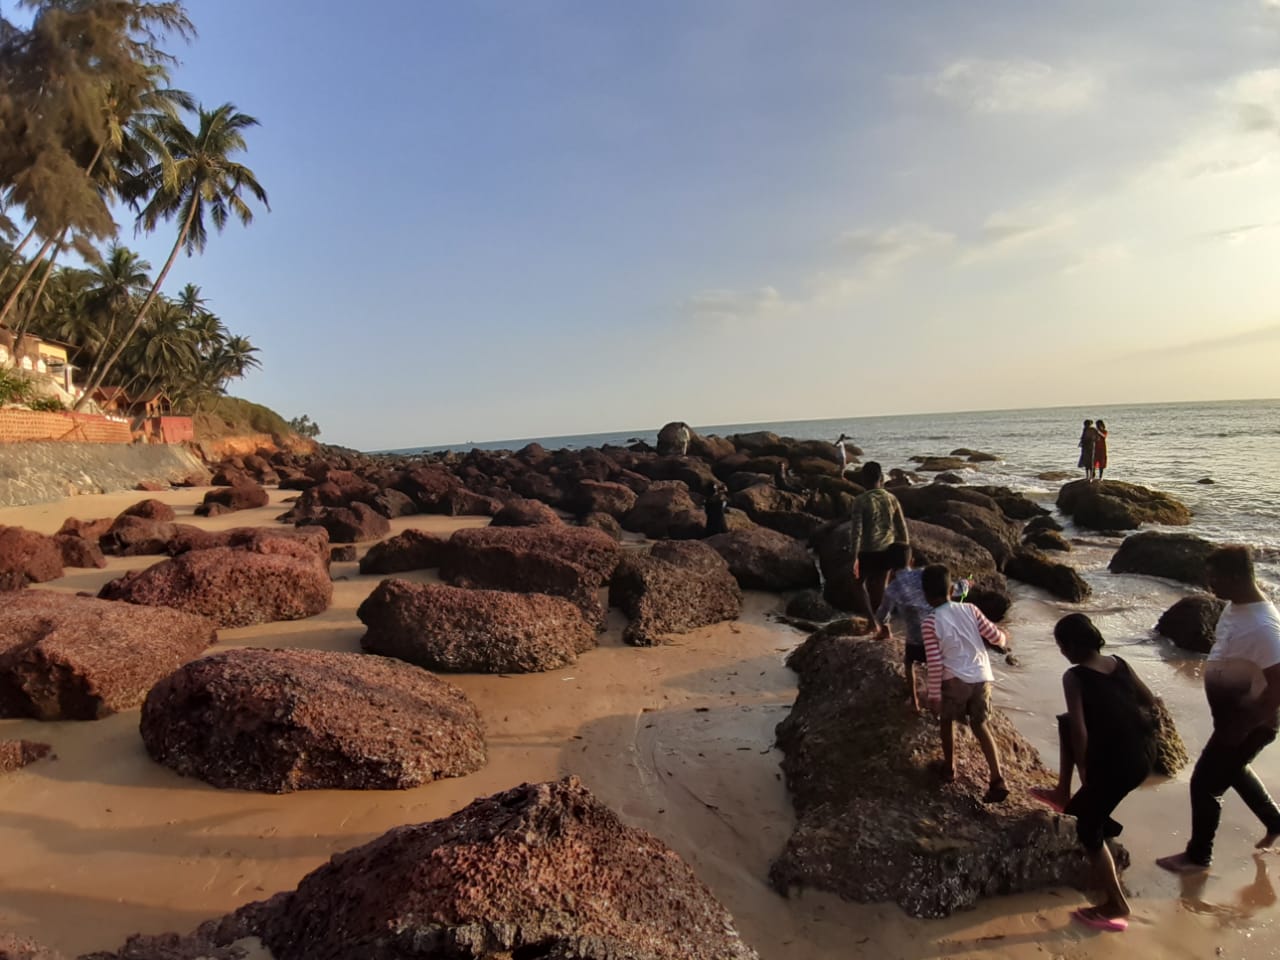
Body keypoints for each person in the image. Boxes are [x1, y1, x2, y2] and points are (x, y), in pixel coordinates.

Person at [1031, 614, 1158, 932]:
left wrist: (1085, 769)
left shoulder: (1074, 677)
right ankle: (1067, 795)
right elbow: (1150, 700)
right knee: (1064, 724)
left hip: (1118, 764)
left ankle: (1116, 903)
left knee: (1086, 827)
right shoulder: (1119, 663)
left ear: (1071, 646)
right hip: (1144, 755)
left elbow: (1080, 732)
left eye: (1061, 647)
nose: (1062, 653)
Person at [1157, 545, 1280, 874]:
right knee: (1233, 770)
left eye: (1215, 578)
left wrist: (1245, 724)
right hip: (1232, 719)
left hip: (1248, 724)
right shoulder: (1237, 606)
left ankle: (1199, 856)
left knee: (1205, 784)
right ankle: (1276, 822)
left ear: (1237, 577)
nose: (1210, 585)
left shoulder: (1265, 627)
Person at [920, 564, 1010, 803]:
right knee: (981, 726)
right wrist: (1003, 637)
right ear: (951, 589)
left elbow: (935, 662)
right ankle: (997, 778)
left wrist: (934, 695)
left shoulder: (930, 623)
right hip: (982, 677)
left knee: (946, 720)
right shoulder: (971, 609)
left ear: (926, 595)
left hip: (955, 680)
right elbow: (995, 637)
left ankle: (949, 768)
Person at [848, 461, 910, 621]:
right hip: (887, 551)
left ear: (864, 479)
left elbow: (857, 532)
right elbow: (902, 528)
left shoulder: (860, 500)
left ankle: (871, 621)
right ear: (881, 478)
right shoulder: (891, 498)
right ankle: (884, 625)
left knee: (857, 584)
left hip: (867, 551)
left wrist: (854, 556)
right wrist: (906, 557)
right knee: (881, 588)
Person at [875, 543, 932, 711]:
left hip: (915, 641)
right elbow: (948, 590)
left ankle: (914, 701)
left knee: (908, 663)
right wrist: (965, 586)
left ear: (890, 567)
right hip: (937, 635)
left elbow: (882, 613)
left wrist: (883, 627)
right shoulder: (923, 574)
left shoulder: (892, 588)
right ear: (912, 561)